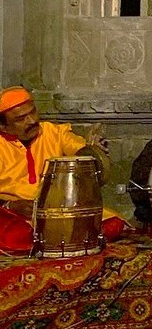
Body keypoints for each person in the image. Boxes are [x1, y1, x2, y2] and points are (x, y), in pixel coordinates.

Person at [0, 85, 123, 255]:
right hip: (14, 215)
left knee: (112, 224)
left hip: (62, 210)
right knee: (17, 234)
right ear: (3, 127)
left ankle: (56, 238)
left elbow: (81, 152)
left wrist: (94, 150)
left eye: (33, 112)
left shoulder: (55, 133)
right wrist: (9, 205)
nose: (32, 121)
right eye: (21, 118)